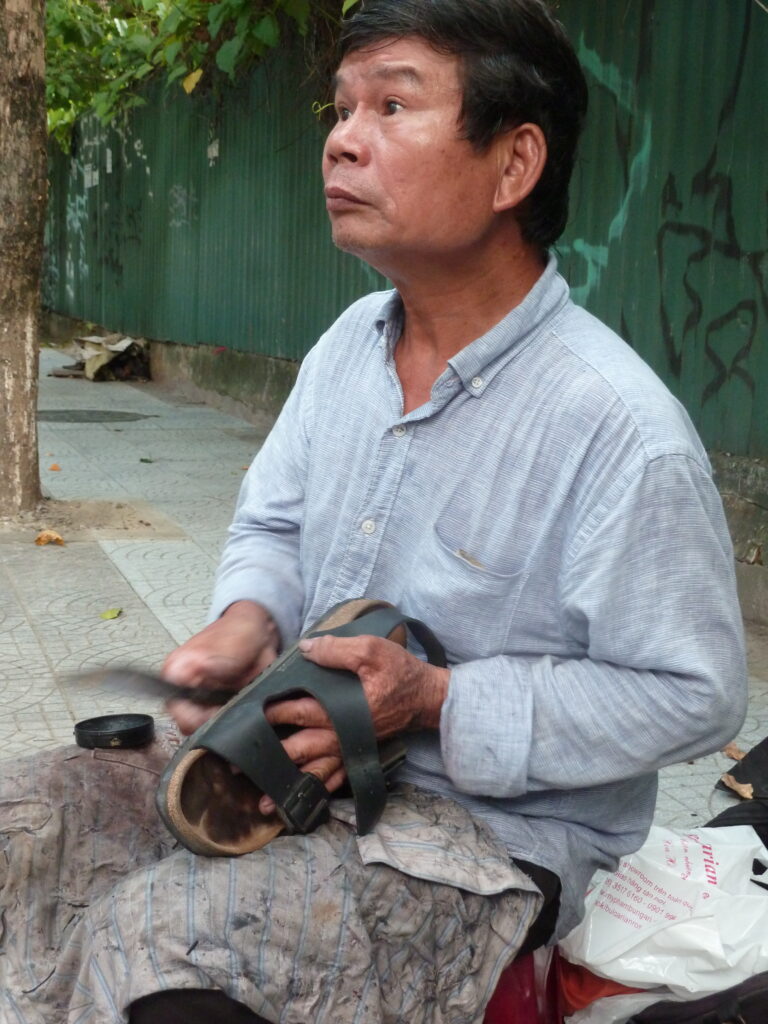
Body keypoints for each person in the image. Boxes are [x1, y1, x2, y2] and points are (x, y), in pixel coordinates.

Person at [0, 1, 747, 1022]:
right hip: (301, 775)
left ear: (514, 164)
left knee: (167, 938)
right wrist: (245, 618)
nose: (342, 138)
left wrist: (435, 698)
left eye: (393, 105)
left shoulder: (619, 429)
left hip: (489, 837)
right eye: (342, 108)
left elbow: (694, 697)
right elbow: (270, 525)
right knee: (29, 822)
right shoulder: (351, 344)